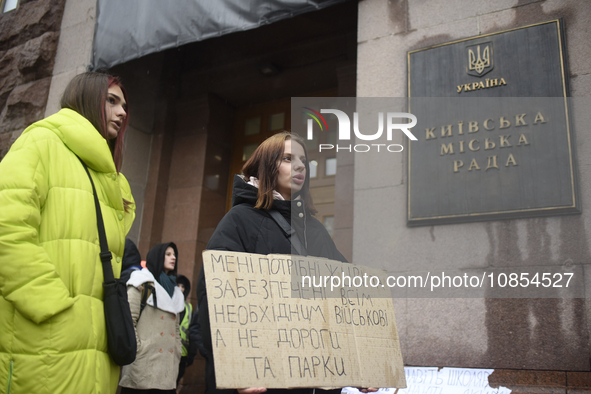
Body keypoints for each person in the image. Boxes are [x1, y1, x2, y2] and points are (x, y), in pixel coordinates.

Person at [0, 71, 135, 394]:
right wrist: (53, 307)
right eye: (112, 101)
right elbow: (7, 227)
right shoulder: (42, 142)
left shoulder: (113, 180)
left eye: (124, 106)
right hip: (46, 339)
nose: (122, 113)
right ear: (86, 101)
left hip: (95, 346)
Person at [197, 131, 355, 394]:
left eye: (303, 160)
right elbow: (214, 298)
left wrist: (360, 365)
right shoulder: (238, 221)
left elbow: (346, 298)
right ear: (267, 166)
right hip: (259, 381)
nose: (300, 165)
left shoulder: (315, 230)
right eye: (288, 158)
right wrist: (238, 368)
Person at [119, 242, 185, 394]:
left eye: (174, 254)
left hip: (167, 370)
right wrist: (138, 349)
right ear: (157, 256)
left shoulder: (176, 292)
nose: (173, 258)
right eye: (168, 254)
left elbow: (176, 328)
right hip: (144, 366)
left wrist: (177, 350)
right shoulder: (141, 282)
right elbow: (129, 320)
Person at [176, 274, 199, 385]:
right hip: (168, 352)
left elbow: (191, 330)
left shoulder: (189, 307)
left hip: (183, 354)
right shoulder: (168, 303)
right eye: (178, 285)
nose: (181, 289)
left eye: (183, 287)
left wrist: (191, 354)